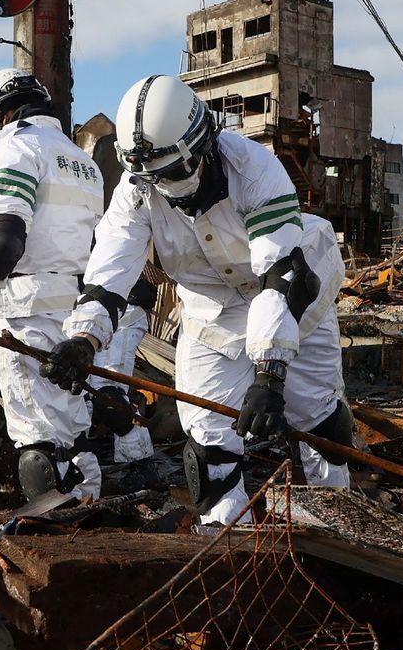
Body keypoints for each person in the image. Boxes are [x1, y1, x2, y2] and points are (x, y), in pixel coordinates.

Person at [41, 75, 351, 525]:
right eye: (155, 176)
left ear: (201, 143)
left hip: (294, 293)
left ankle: (334, 526)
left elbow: (278, 275)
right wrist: (84, 337)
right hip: (212, 307)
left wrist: (270, 374)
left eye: (174, 172)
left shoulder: (256, 169)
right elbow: (111, 268)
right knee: (208, 445)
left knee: (320, 424)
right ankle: (228, 542)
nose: (166, 185)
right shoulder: (139, 189)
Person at [0, 68, 104, 502]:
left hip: (25, 308)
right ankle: (86, 524)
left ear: (2, 112)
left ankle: (52, 537)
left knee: (36, 439)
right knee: (73, 430)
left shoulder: (17, 147)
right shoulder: (84, 163)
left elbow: (4, 239)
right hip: (73, 309)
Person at [85, 274, 161, 490]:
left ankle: (142, 466)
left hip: (121, 308)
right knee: (82, 391)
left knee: (106, 392)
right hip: (89, 307)